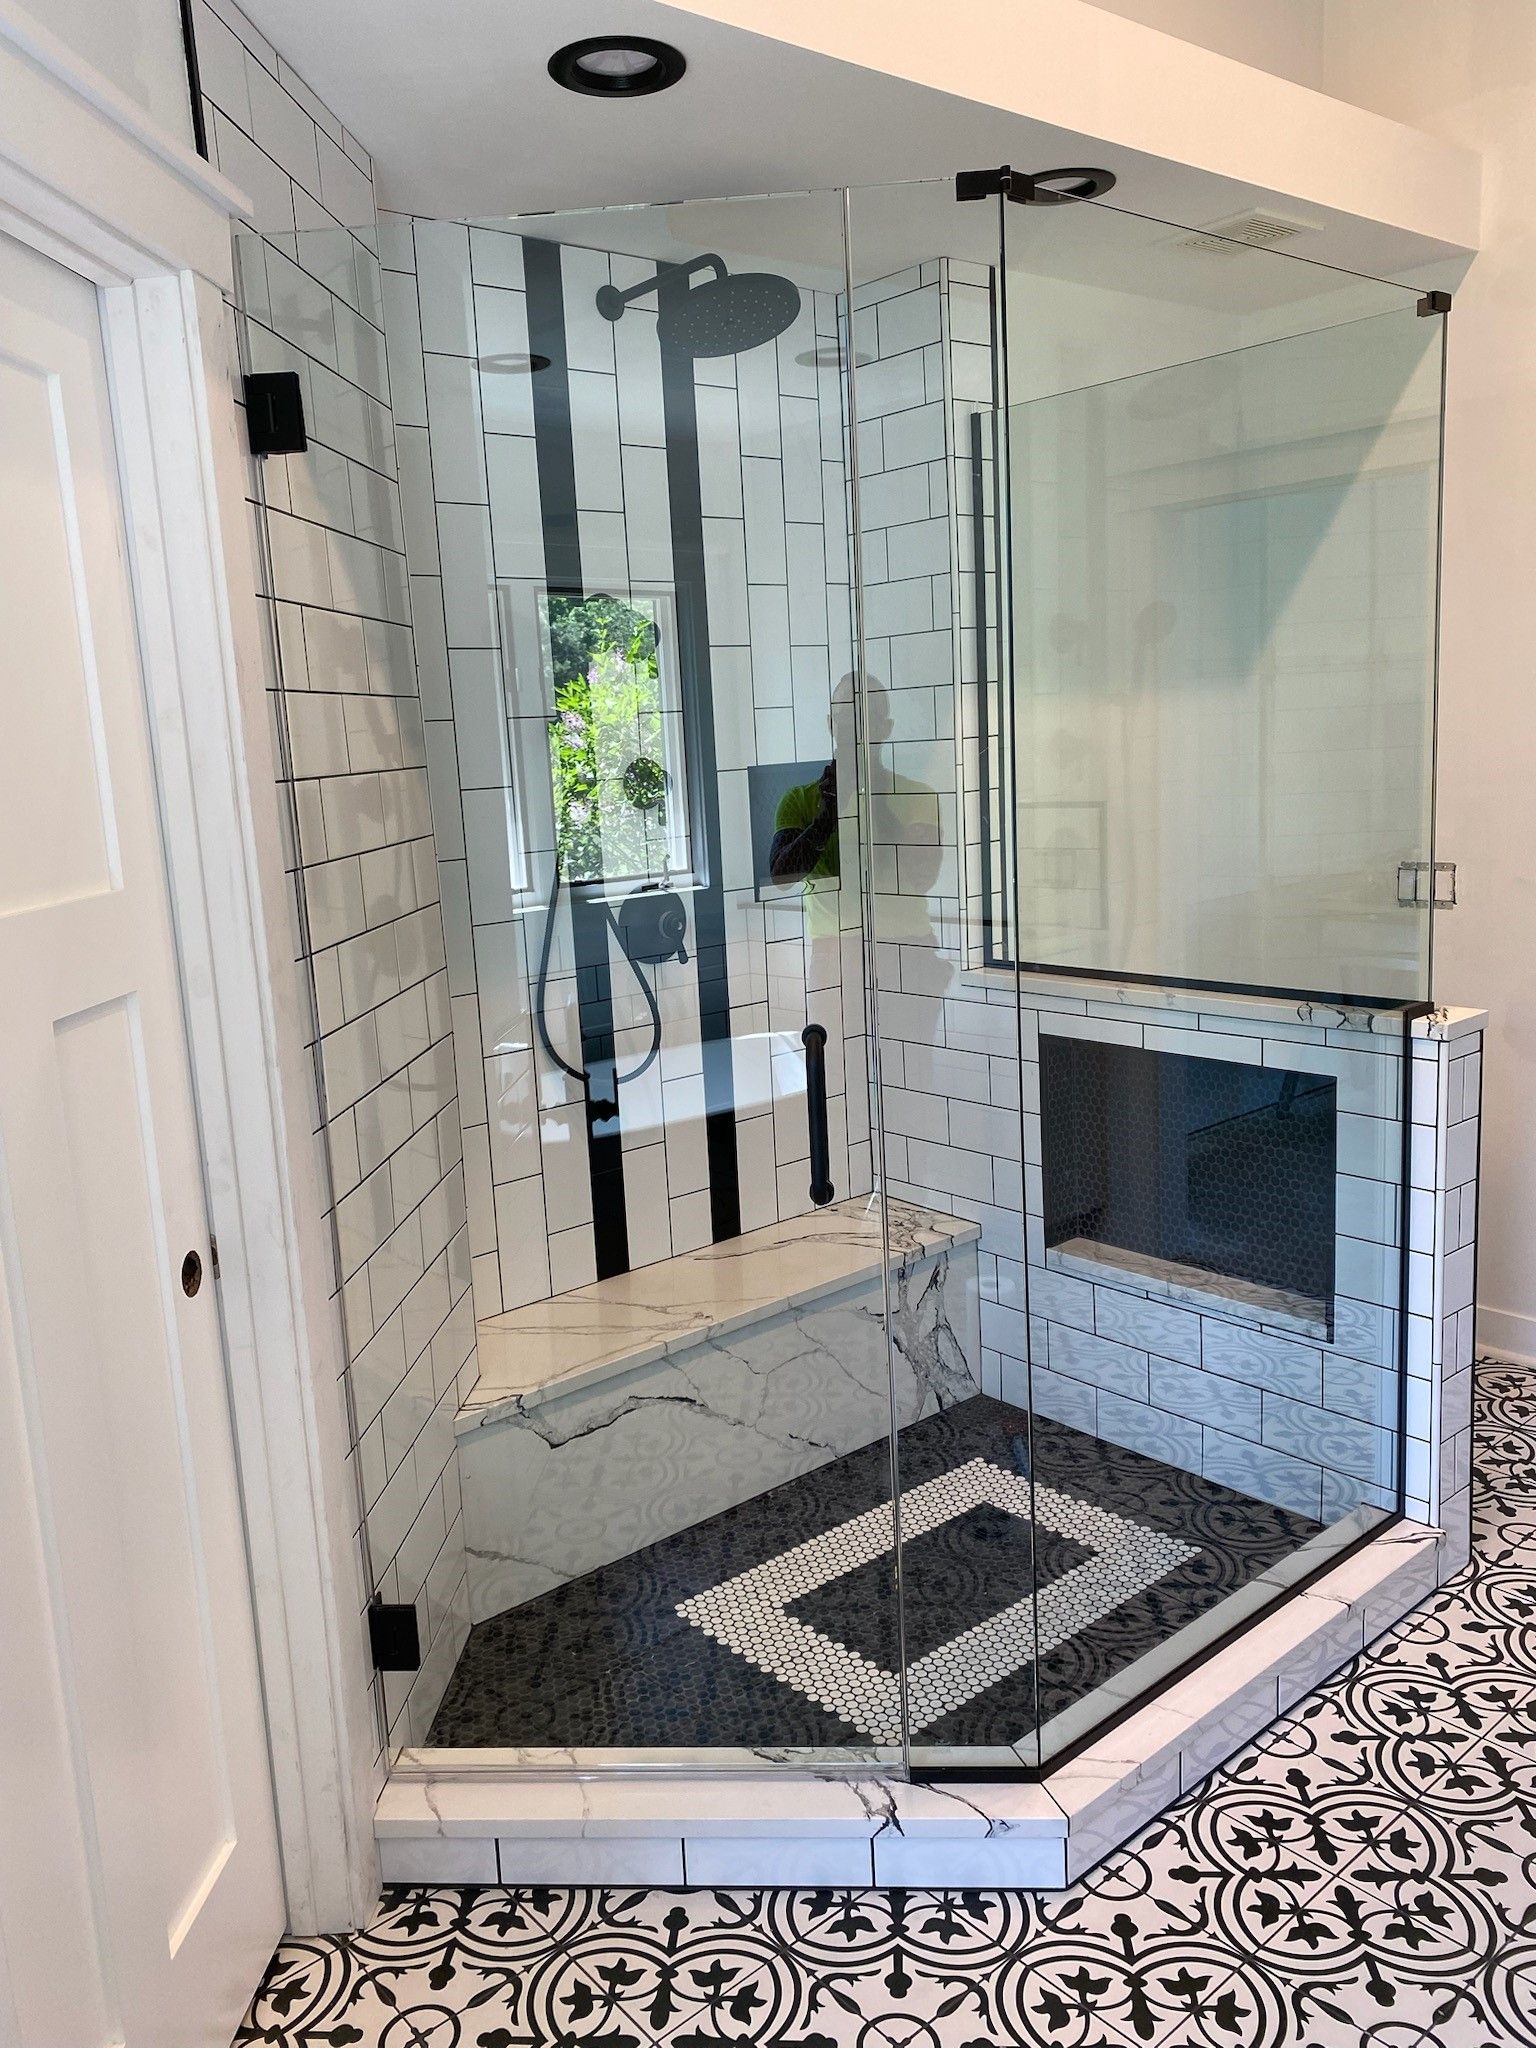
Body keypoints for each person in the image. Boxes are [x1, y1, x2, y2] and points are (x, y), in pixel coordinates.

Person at [767, 760, 839, 885]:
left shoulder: (881, 790)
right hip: (827, 903)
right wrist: (826, 818)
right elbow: (781, 877)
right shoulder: (798, 799)